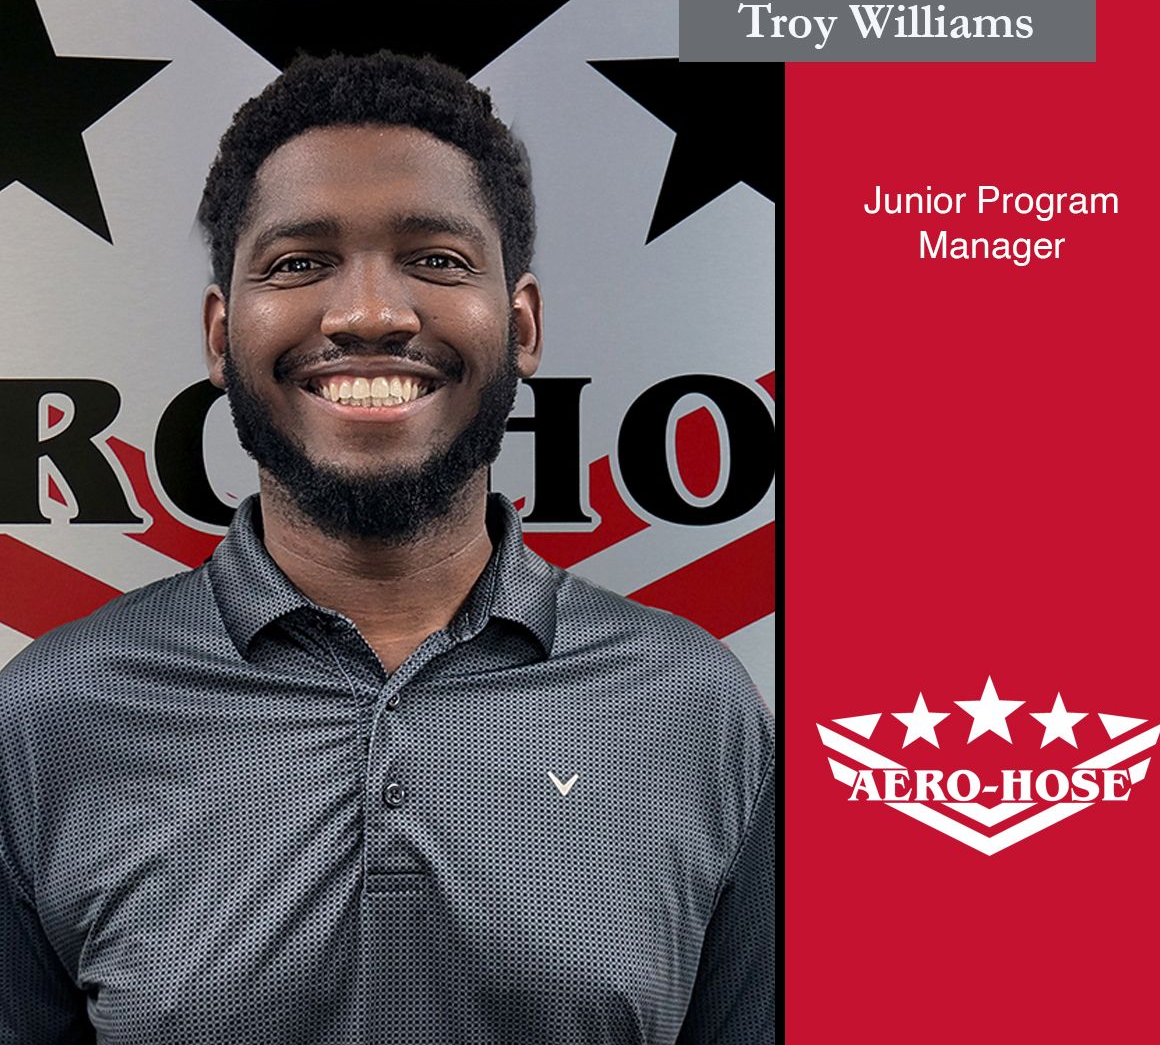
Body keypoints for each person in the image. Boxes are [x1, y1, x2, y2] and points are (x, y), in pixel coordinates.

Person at [0, 52, 774, 1044]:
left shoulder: (694, 710)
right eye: (299, 263)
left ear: (523, 324)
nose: (370, 312)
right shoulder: (51, 719)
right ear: (219, 333)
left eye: (437, 260)